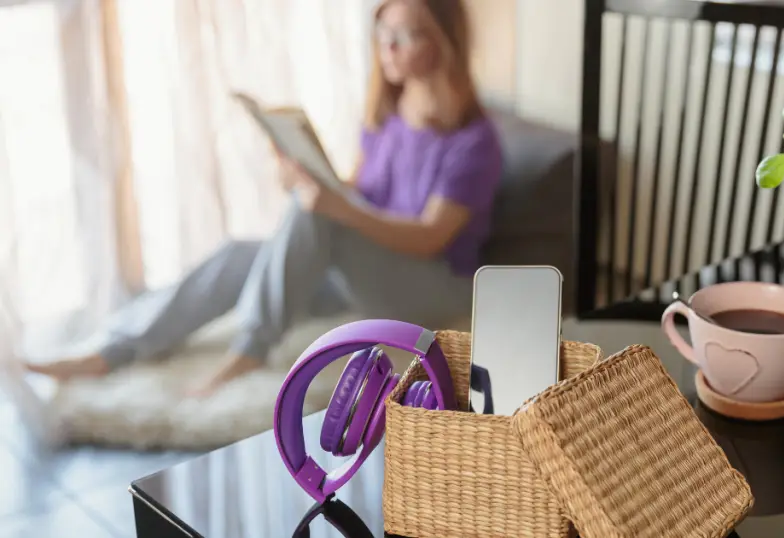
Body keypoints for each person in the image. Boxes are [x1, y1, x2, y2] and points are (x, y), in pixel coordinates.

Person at [24, 0, 502, 397]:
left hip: (434, 286)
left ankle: (249, 350)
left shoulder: (475, 142)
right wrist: (308, 175)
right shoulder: (390, 115)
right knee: (241, 256)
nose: (389, 47)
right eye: (383, 33)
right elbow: (361, 193)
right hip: (368, 270)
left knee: (317, 215)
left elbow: (428, 238)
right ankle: (112, 350)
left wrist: (333, 207)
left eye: (407, 34)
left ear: (444, 40)